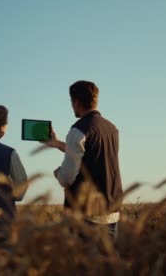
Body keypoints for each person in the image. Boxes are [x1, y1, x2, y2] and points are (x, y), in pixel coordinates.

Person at [42, 80, 123, 239]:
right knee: (105, 263)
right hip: (112, 212)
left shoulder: (78, 130)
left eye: (71, 102)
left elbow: (66, 178)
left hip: (85, 216)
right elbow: (92, 154)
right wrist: (57, 143)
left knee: (83, 264)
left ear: (76, 102)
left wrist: (58, 173)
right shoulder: (112, 129)